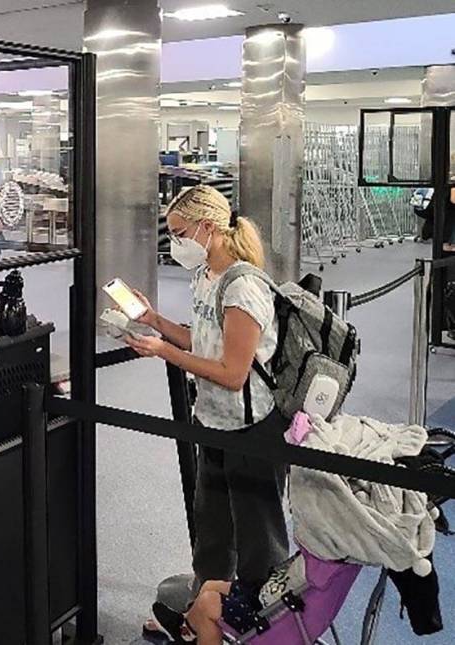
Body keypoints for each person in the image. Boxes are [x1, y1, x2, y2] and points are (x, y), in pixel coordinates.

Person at [126, 185, 290, 629]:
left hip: (250, 427)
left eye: (181, 233)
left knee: (260, 541)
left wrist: (164, 352)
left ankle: (267, 627)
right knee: (213, 532)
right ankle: (206, 617)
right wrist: (155, 322)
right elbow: (202, 342)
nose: (176, 243)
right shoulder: (205, 277)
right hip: (211, 421)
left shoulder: (244, 286)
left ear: (209, 227)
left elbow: (233, 372)